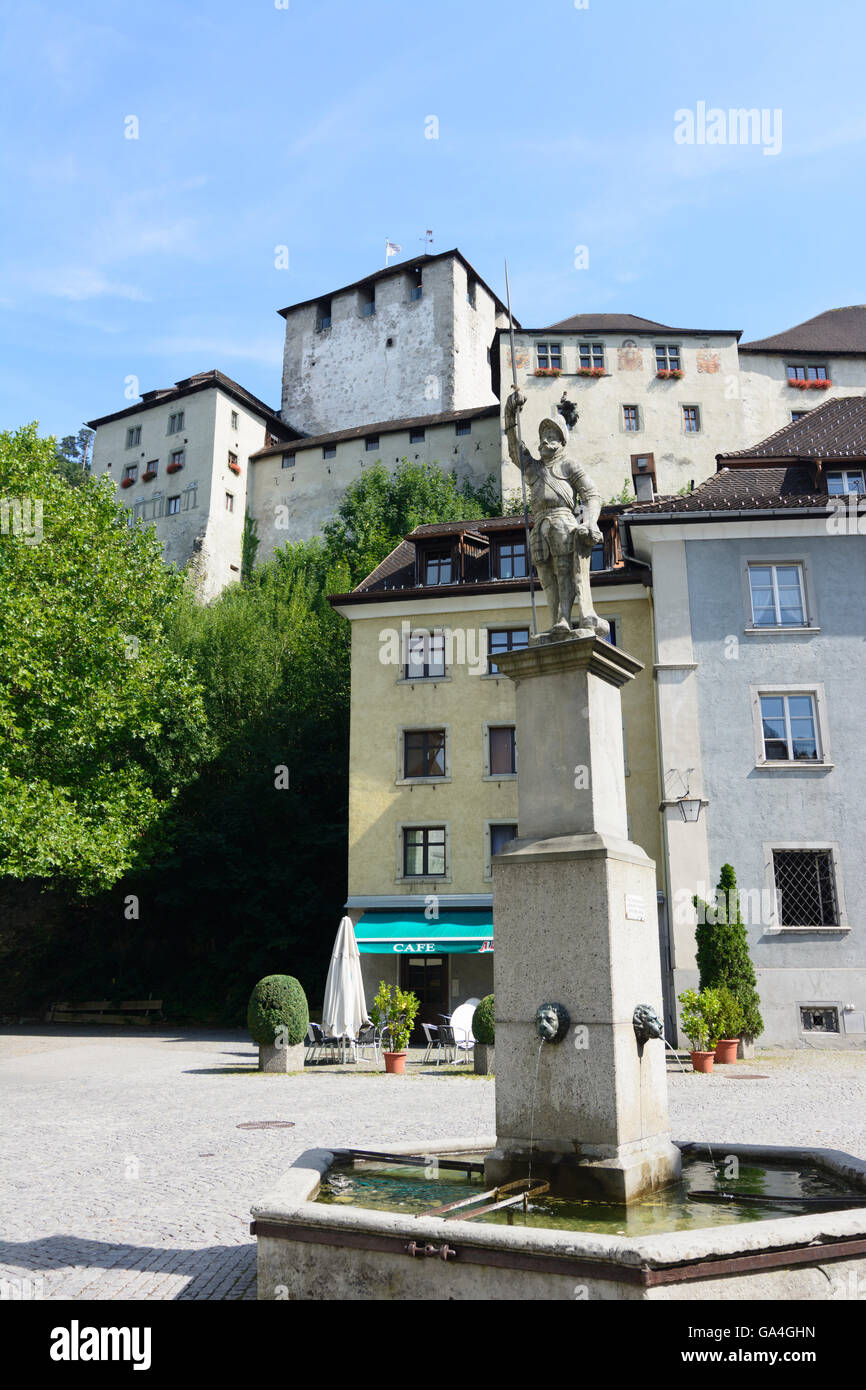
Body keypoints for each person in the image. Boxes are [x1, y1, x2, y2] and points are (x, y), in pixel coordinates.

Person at [504, 387, 609, 640]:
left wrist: (591, 522)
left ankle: (564, 618)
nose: (545, 439)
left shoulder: (569, 465)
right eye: (543, 434)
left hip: (563, 520)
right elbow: (513, 448)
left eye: (551, 435)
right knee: (546, 577)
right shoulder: (534, 468)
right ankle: (555, 620)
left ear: (562, 441)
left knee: (564, 571)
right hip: (539, 525)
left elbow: (592, 495)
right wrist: (510, 413)